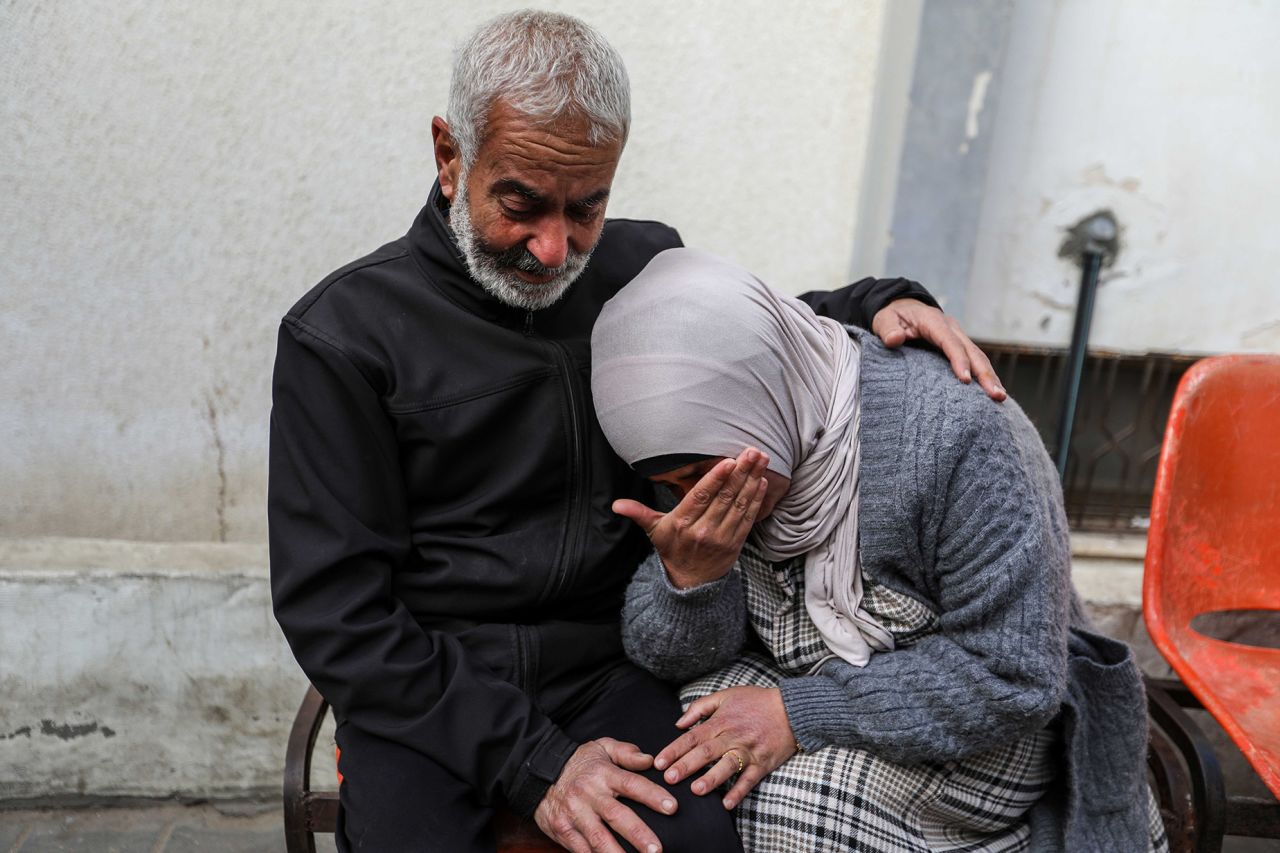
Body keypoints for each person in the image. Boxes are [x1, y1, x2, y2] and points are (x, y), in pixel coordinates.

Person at [268, 11, 1005, 852]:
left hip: (612, 664)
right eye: (522, 205)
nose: (554, 249)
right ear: (449, 156)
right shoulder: (343, 337)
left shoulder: (633, 263)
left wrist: (878, 302)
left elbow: (750, 337)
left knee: (691, 840)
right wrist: (536, 763)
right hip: (437, 692)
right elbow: (337, 615)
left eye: (587, 207)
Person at [591, 248, 1168, 852]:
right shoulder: (724, 441)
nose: (699, 503)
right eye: (674, 486)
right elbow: (670, 658)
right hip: (808, 673)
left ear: (769, 402)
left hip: (978, 713)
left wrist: (797, 713)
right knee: (677, 776)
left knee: (790, 813)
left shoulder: (957, 436)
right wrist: (691, 578)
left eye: (703, 474)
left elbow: (1013, 676)